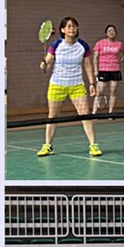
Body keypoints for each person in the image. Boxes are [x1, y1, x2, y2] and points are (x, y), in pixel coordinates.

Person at [37, 17, 101, 158]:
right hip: (57, 85)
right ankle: (47, 146)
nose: (72, 29)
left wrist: (92, 83)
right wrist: (43, 66)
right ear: (63, 30)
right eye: (69, 26)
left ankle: (93, 145)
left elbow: (88, 65)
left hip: (76, 85)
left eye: (74, 26)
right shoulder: (56, 45)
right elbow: (48, 63)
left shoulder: (83, 45)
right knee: (52, 116)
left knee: (85, 115)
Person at [92, 25, 124, 115]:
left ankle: (110, 113)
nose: (111, 32)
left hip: (115, 70)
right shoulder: (100, 43)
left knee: (113, 92)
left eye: (113, 31)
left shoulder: (119, 44)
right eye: (109, 31)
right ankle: (94, 113)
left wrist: (120, 61)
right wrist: (95, 70)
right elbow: (95, 57)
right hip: (103, 70)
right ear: (106, 33)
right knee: (99, 92)